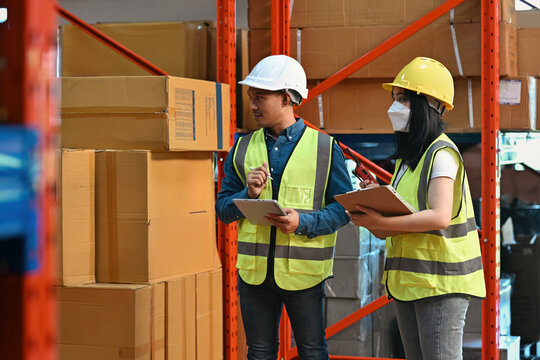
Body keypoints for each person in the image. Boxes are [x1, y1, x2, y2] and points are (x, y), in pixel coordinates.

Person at [215, 54, 353, 360]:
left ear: (288, 97)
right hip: (254, 275)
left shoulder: (325, 148)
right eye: (252, 97)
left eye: (260, 97)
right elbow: (223, 209)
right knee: (260, 352)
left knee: (312, 352)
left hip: (304, 274)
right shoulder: (241, 147)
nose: (252, 105)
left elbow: (344, 209)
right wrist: (248, 194)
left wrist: (302, 222)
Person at [348, 57, 486, 359]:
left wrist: (382, 223)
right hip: (410, 282)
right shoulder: (408, 160)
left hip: (441, 284)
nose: (395, 107)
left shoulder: (442, 155)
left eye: (405, 98)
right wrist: (376, 205)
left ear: (431, 105)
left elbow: (438, 216)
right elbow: (406, 213)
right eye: (395, 98)